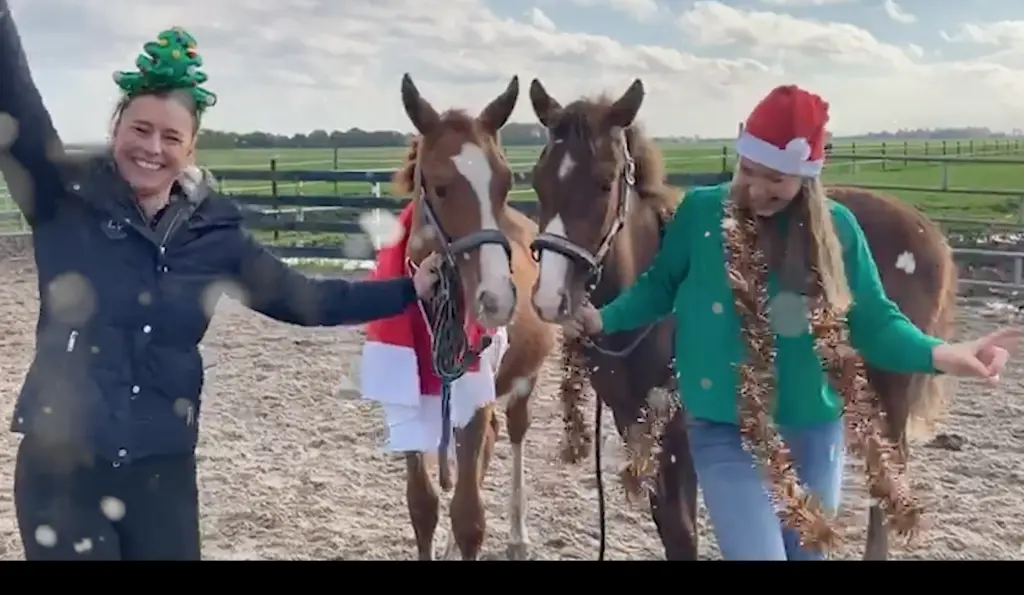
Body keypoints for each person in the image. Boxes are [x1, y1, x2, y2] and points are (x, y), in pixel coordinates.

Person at [0, 10, 442, 561]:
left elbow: (306, 299)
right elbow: (16, 103)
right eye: (140, 129)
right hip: (62, 469)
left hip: (160, 469)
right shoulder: (63, 197)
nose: (152, 147)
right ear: (116, 130)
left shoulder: (215, 235)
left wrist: (407, 289)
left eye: (171, 136)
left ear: (190, 149)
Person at [561, 84, 1020, 560]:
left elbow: (876, 322)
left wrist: (944, 354)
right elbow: (659, 287)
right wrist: (602, 319)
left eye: (777, 178)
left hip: (812, 429)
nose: (758, 189)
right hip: (722, 423)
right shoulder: (701, 214)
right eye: (749, 170)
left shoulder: (837, 231)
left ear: (807, 177)